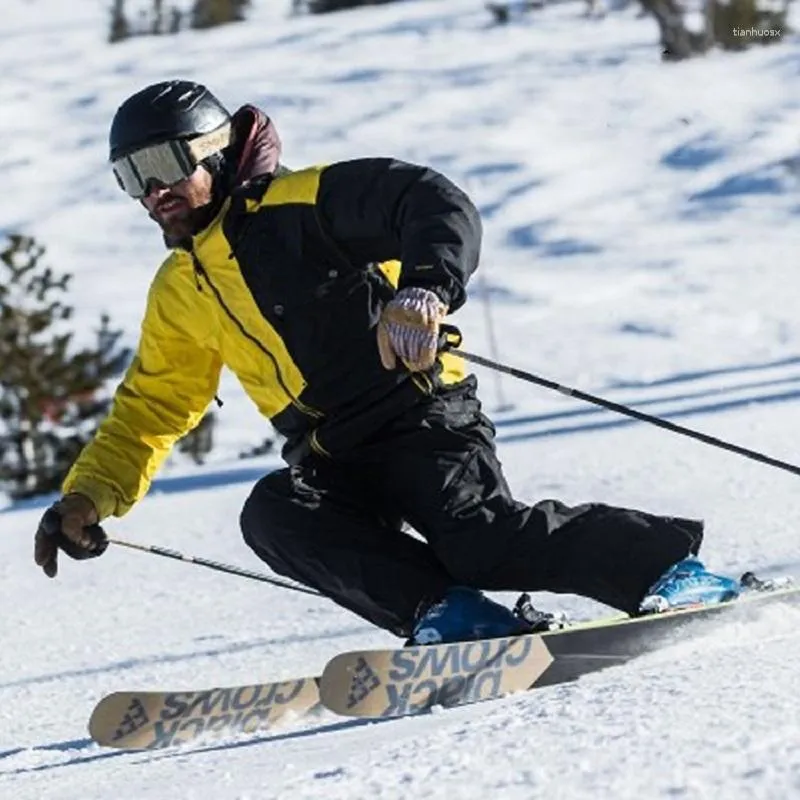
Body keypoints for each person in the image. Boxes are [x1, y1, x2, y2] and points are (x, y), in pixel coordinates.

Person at [33, 80, 740, 644]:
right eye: (130, 176)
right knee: (276, 516)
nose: (151, 192)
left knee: (485, 543)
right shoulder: (180, 289)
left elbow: (429, 200)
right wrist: (88, 496)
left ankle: (667, 568)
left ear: (212, 154)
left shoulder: (302, 204)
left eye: (161, 165)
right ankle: (453, 617)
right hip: (333, 453)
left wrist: (426, 288)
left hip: (419, 414)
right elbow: (152, 408)